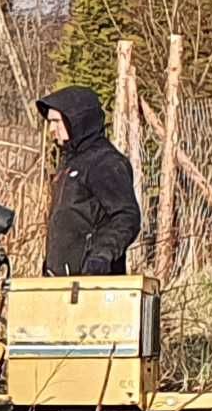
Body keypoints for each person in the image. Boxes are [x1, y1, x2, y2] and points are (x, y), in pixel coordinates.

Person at [35, 83, 141, 277]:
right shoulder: (69, 164)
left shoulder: (106, 163)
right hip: (60, 280)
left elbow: (126, 216)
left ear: (77, 120)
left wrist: (100, 257)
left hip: (93, 283)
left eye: (57, 121)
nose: (51, 129)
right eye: (51, 122)